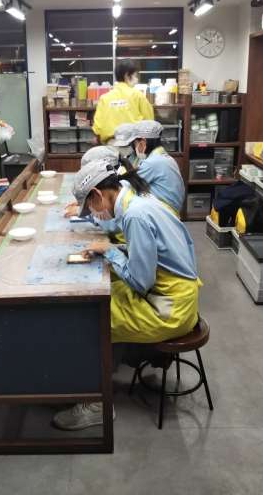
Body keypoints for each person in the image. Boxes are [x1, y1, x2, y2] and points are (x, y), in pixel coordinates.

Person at [53, 160, 199, 431]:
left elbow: (141, 282)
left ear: (97, 194)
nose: (92, 213)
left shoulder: (135, 216)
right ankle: (120, 361)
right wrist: (111, 249)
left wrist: (110, 251)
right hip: (176, 294)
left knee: (91, 316)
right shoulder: (140, 200)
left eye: (90, 207)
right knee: (109, 293)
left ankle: (96, 405)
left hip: (169, 308)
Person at [112, 120, 185, 215]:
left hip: (164, 211)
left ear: (142, 142)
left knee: (124, 196)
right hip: (169, 209)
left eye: (135, 143)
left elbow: (127, 185)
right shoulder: (164, 158)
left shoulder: (153, 162)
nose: (134, 147)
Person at [93, 59, 154, 144]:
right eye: (135, 76)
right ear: (127, 75)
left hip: (111, 143)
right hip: (134, 144)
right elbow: (149, 121)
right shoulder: (138, 95)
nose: (137, 79)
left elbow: (97, 127)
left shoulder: (104, 98)